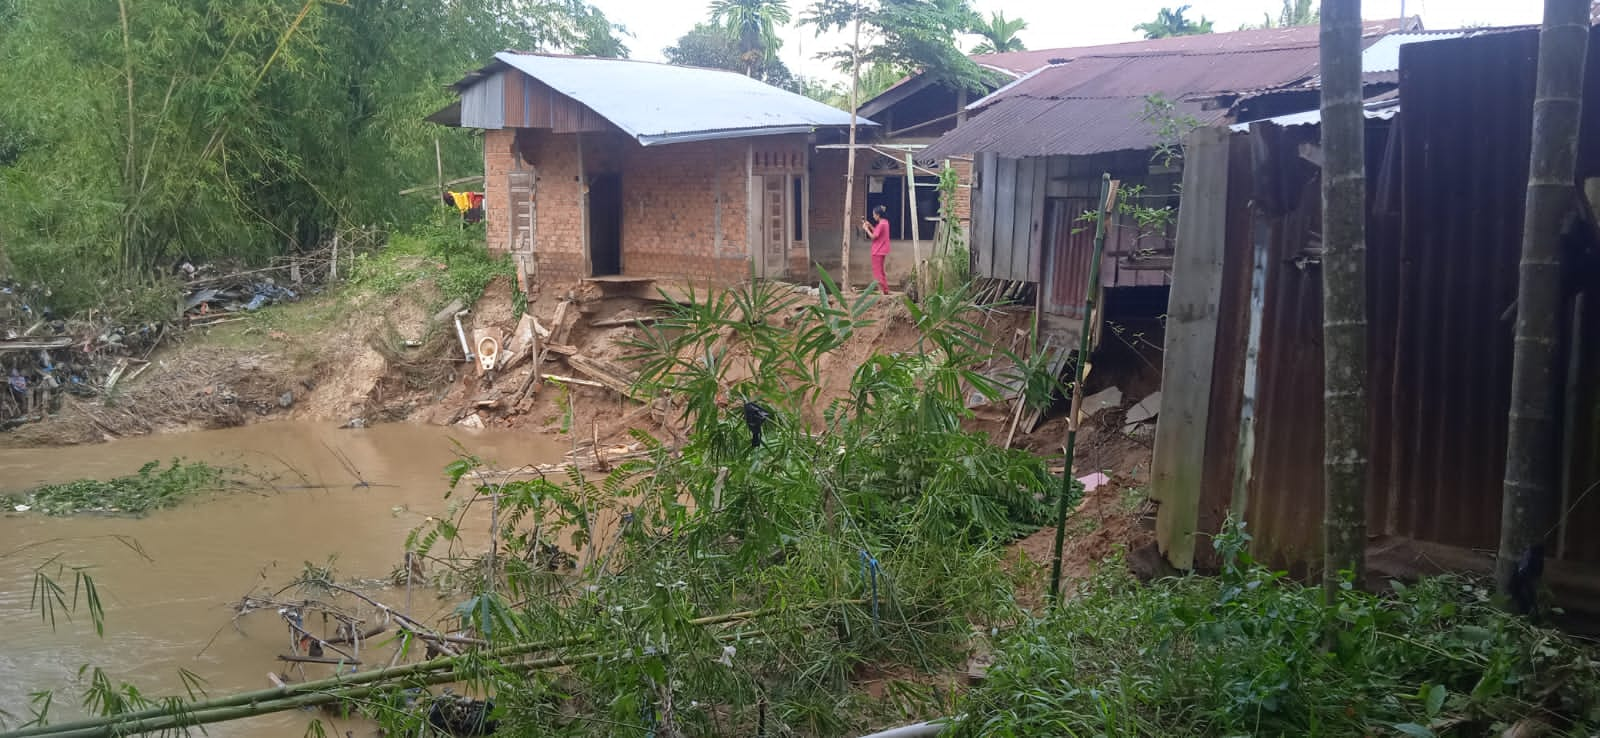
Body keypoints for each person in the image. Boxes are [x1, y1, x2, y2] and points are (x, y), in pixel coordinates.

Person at [861, 205, 891, 294]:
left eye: (874, 214)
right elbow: (877, 233)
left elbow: (873, 236)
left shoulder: (881, 224)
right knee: (881, 271)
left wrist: (866, 229)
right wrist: (870, 225)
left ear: (878, 215)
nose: (873, 216)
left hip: (877, 250)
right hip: (882, 250)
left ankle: (881, 291)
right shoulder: (885, 222)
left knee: (877, 272)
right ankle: (885, 289)